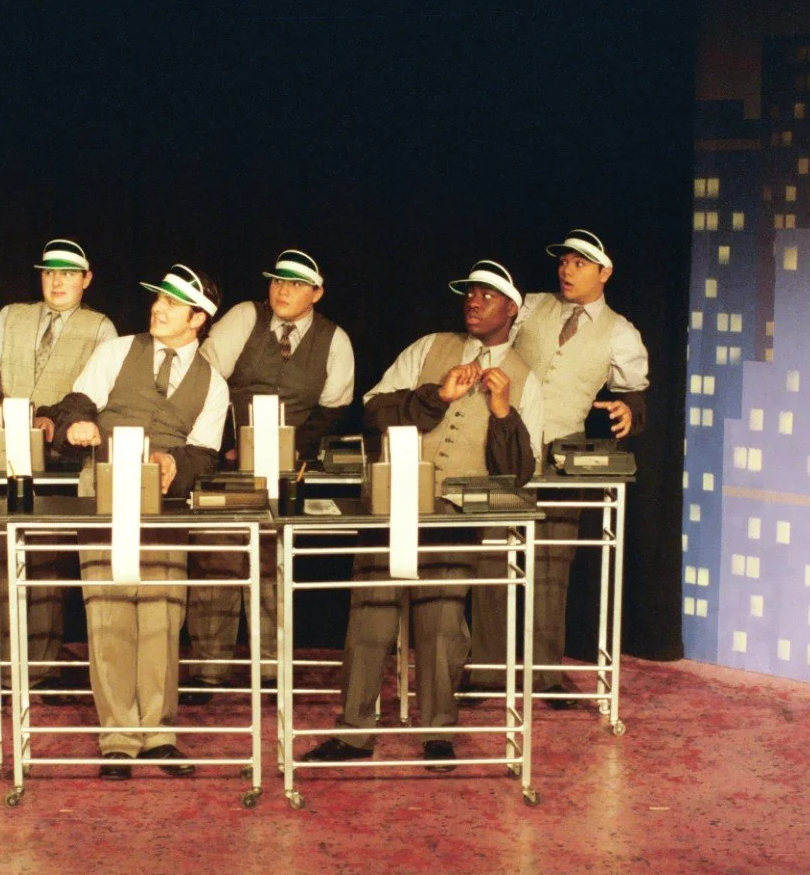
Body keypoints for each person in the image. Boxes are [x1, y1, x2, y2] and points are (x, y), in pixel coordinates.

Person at [301, 260, 541, 770]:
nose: (473, 302)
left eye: (487, 295)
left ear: (511, 309)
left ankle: (438, 732)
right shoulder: (428, 347)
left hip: (454, 514)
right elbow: (374, 408)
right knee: (370, 617)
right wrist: (436, 396)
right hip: (393, 503)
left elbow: (518, 472)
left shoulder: (525, 378)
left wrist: (502, 410)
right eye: (470, 293)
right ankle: (354, 732)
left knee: (442, 624)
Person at [47, 264, 229, 779]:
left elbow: (205, 455)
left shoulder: (213, 383)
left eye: (172, 303)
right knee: (107, 611)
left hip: (163, 505)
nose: (159, 307)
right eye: (158, 299)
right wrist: (77, 422)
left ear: (198, 317)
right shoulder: (116, 351)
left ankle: (159, 734)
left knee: (161, 612)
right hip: (104, 491)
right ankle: (118, 737)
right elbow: (78, 403)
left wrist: (178, 465)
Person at [466, 229, 649, 703]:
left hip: (562, 453)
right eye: (564, 261)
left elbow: (634, 389)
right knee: (492, 553)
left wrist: (632, 411)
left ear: (604, 273)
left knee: (551, 562)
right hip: (504, 440)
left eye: (580, 264)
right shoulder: (529, 306)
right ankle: (486, 670)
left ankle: (546, 672)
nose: (567, 270)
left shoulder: (619, 331)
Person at [184, 249, 355, 703]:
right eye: (278, 281)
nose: (283, 290)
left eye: (297, 284)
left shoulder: (334, 339)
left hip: (284, 467)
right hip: (225, 457)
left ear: (317, 293)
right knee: (216, 562)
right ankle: (208, 670)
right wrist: (225, 446)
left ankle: (270, 668)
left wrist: (287, 450)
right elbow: (202, 382)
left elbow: (330, 412)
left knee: (271, 565)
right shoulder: (245, 317)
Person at [0, 239, 117, 691]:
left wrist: (53, 417)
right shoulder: (12, 314)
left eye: (69, 273)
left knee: (45, 559)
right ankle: (3, 661)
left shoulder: (101, 327)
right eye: (50, 272)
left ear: (86, 280)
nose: (57, 280)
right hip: (5, 453)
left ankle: (42, 666)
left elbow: (95, 390)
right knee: (1, 555)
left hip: (61, 461)